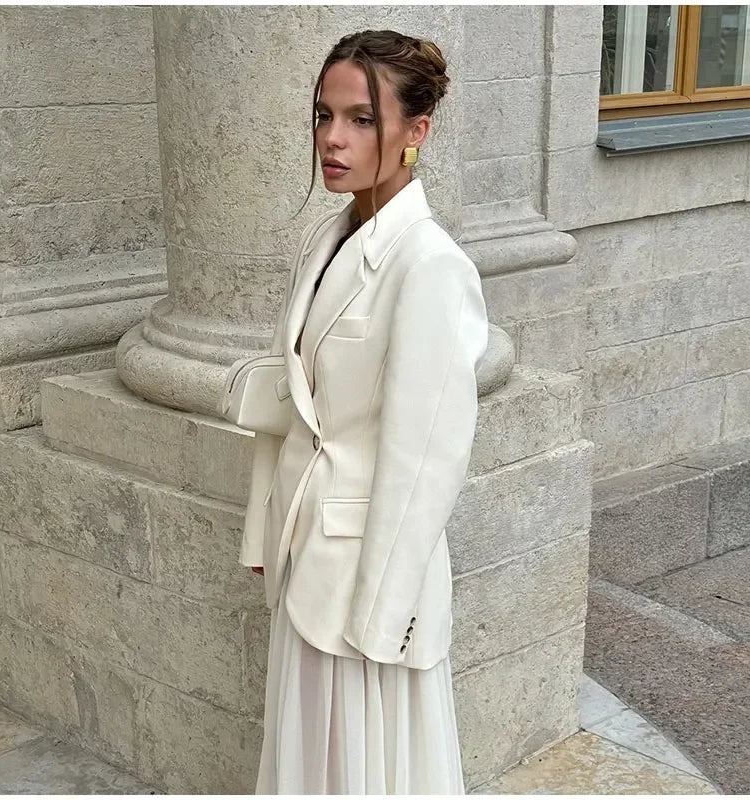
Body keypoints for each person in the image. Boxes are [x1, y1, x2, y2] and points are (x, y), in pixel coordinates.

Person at [238, 29, 489, 795]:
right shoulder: (327, 237)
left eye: (360, 119)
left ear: (417, 132)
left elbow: (425, 462)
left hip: (369, 585)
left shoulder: (431, 266)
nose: (333, 139)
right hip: (305, 556)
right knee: (310, 768)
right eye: (323, 115)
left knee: (371, 774)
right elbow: (295, 410)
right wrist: (261, 527)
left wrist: (381, 623)